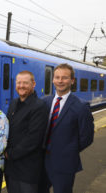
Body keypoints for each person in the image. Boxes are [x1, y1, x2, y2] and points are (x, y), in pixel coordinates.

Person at [39, 63, 94, 193]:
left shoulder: (81, 107)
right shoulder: (44, 102)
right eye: (57, 77)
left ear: (72, 81)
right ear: (53, 80)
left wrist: (68, 150)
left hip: (65, 163)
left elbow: (86, 138)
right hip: (42, 161)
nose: (60, 81)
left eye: (64, 78)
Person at [4, 70, 48, 193]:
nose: (21, 86)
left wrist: (9, 154)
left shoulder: (39, 106)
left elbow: (33, 139)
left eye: (25, 83)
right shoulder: (14, 103)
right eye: (19, 83)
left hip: (27, 170)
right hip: (11, 168)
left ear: (33, 84)